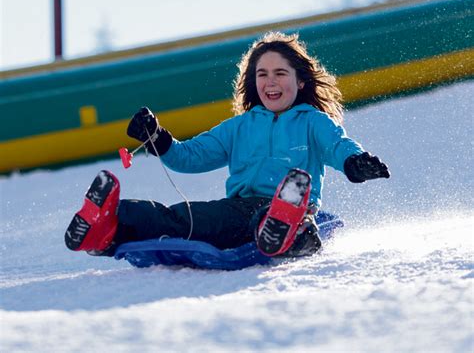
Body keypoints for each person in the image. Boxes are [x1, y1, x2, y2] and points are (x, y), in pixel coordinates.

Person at [65, 32, 390, 258]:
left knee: (268, 212)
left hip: (287, 206)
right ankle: (109, 223)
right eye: (262, 74)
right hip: (237, 209)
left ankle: (290, 227)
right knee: (180, 219)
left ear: (300, 80)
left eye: (280, 73)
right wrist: (156, 136)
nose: (270, 81)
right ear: (254, 82)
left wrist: (355, 163)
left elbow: (338, 145)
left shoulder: (313, 122)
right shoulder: (239, 128)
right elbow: (190, 157)